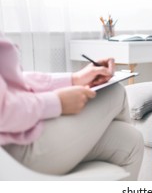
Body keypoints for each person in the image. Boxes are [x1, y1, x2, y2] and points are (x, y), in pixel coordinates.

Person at [0, 32, 144, 180]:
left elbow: (15, 81)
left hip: (23, 133)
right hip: (15, 150)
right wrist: (57, 102)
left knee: (131, 140)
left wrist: (74, 79)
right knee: (114, 91)